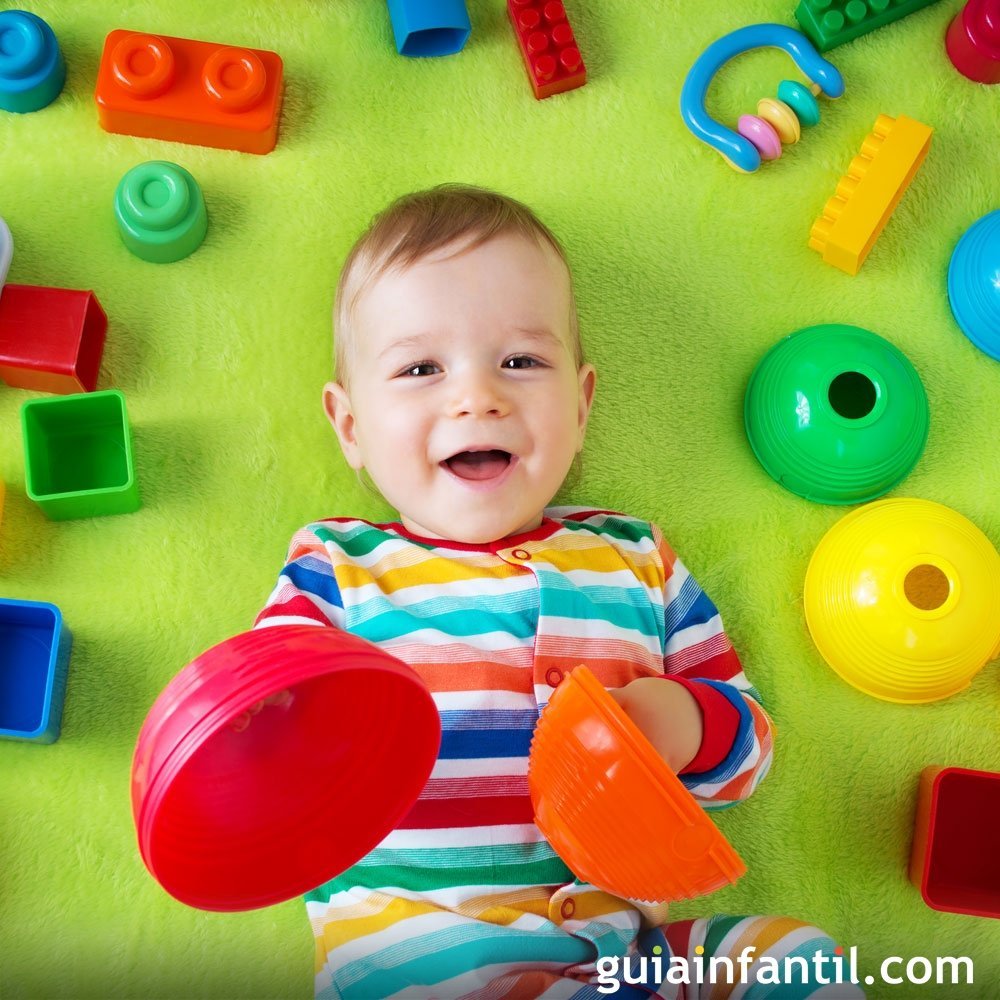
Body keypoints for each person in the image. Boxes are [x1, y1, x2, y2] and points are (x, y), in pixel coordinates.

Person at [254, 185, 863, 1000]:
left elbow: (747, 746)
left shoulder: (635, 558)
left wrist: (682, 726)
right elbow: (255, 722)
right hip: (418, 943)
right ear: (352, 426)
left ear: (580, 405)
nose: (478, 396)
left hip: (620, 942)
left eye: (521, 361)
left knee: (797, 959)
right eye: (420, 368)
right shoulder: (336, 567)